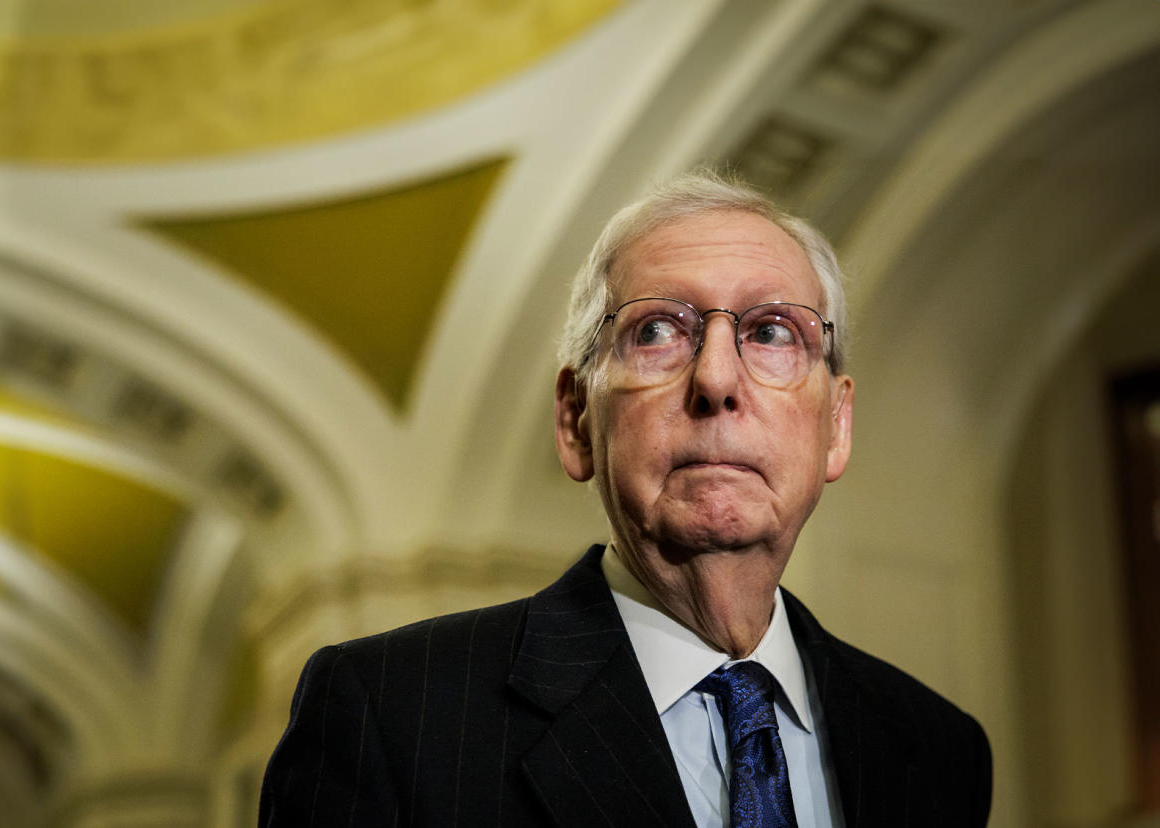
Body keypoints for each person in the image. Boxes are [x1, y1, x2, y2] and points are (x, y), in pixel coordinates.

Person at [259, 170, 992, 827]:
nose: (716, 380)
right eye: (657, 332)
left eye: (771, 331)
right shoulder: (389, 714)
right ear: (576, 420)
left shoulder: (935, 748)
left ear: (835, 424)